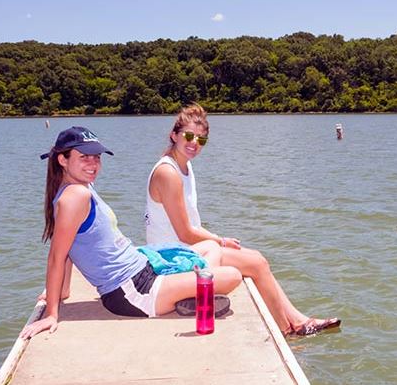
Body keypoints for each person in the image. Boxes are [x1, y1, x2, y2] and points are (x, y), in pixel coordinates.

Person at [20, 127, 243, 339]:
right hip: (131, 291)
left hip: (142, 267)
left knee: (211, 247)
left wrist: (63, 291)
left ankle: (189, 296)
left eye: (97, 157)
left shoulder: (82, 187)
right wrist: (52, 312)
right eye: (84, 157)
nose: (93, 163)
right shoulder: (75, 197)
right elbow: (57, 256)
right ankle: (190, 296)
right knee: (232, 275)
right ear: (63, 160)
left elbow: (69, 248)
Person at [145, 104, 340, 337]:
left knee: (257, 258)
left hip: (186, 248)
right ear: (174, 135)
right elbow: (185, 232)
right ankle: (287, 330)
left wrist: (220, 241)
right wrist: (221, 240)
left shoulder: (184, 167)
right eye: (188, 136)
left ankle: (297, 320)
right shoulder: (168, 173)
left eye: (201, 140)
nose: (194, 143)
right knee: (257, 264)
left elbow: (191, 227)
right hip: (172, 258)